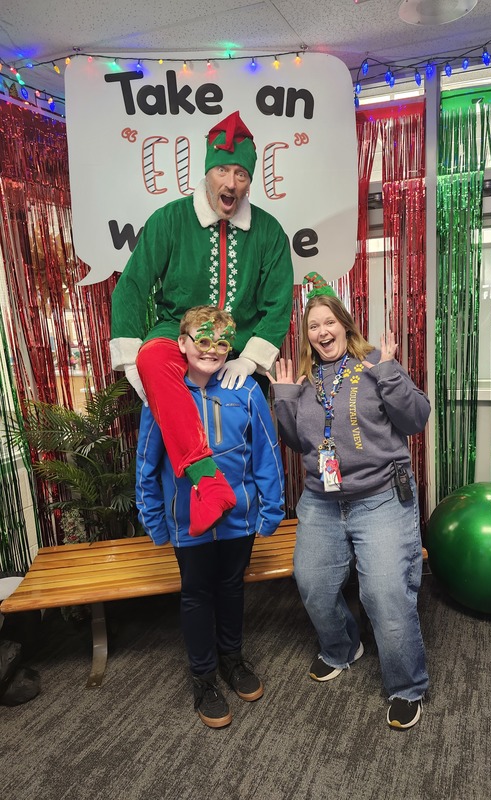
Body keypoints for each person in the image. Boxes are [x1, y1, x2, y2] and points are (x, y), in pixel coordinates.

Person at [111, 110, 293, 537]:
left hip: (237, 347)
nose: (232, 183)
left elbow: (279, 303)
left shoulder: (269, 233)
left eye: (242, 174)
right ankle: (207, 483)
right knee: (152, 360)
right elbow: (133, 286)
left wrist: (249, 361)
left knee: (249, 434)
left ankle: (248, 518)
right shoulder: (169, 219)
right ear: (207, 172)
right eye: (223, 171)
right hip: (176, 333)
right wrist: (133, 361)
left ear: (251, 181)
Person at [268, 273, 430, 730]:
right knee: (312, 583)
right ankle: (342, 647)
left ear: (344, 322)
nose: (322, 332)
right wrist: (283, 398)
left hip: (381, 496)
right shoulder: (301, 378)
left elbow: (416, 419)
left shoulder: (376, 362)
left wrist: (391, 373)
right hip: (322, 500)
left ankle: (406, 686)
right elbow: (298, 443)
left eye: (328, 322)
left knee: (383, 591)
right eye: (313, 326)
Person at [136, 305, 285, 729]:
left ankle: (232, 659)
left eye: (222, 341)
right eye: (202, 339)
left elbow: (267, 453)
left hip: (238, 516)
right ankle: (202, 677)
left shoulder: (246, 389)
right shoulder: (163, 394)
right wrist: (153, 517)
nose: (213, 349)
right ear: (182, 343)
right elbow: (147, 461)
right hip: (189, 523)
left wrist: (271, 508)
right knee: (197, 594)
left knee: (232, 587)